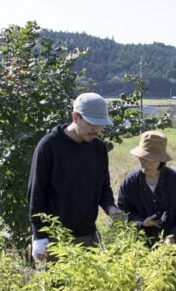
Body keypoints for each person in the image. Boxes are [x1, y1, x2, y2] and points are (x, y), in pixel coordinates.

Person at [28, 92, 124, 261]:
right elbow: (36, 193)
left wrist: (110, 207)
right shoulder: (49, 146)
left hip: (88, 236)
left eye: (100, 125)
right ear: (75, 117)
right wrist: (39, 236)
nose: (96, 130)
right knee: (55, 288)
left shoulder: (99, 149)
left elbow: (103, 187)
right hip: (54, 239)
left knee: (88, 287)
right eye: (91, 124)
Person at [117, 130, 176, 245]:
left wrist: (172, 237)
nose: (146, 164)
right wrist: (141, 222)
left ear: (161, 160)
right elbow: (124, 210)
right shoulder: (130, 182)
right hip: (143, 245)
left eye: (152, 160)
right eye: (142, 158)